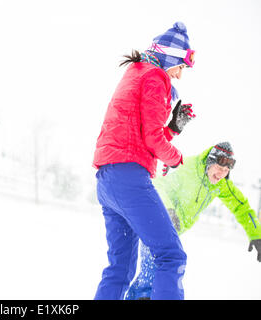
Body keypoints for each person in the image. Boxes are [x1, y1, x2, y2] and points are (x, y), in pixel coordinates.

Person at [93, 22, 196, 300]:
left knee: (120, 270)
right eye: (181, 67)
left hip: (108, 179)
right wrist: (176, 159)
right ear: (172, 58)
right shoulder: (155, 77)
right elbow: (152, 140)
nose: (179, 75)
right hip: (129, 179)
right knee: (171, 256)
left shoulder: (137, 72)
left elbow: (140, 136)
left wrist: (172, 128)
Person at [125, 142, 261, 300]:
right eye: (219, 168)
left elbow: (241, 207)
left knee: (159, 270)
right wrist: (168, 210)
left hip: (171, 229)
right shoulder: (187, 168)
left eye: (226, 171)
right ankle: (144, 296)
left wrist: (255, 233)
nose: (221, 174)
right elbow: (159, 185)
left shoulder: (221, 184)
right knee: (162, 267)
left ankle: (139, 295)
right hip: (156, 220)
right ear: (210, 161)